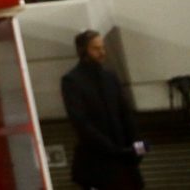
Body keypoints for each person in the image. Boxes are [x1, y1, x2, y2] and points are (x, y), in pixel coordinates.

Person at [62, 30, 146, 189]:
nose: (102, 52)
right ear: (83, 51)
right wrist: (111, 148)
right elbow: (80, 122)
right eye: (96, 48)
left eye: (102, 48)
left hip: (123, 159)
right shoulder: (72, 81)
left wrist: (136, 146)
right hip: (97, 162)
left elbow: (126, 113)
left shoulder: (110, 77)